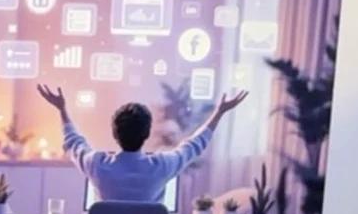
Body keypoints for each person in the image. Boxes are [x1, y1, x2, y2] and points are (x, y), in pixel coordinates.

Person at [36, 82, 248, 202]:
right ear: (146, 134)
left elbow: (73, 142)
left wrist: (61, 109)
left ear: (115, 134)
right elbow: (194, 145)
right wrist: (219, 112)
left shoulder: (96, 165)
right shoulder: (162, 165)